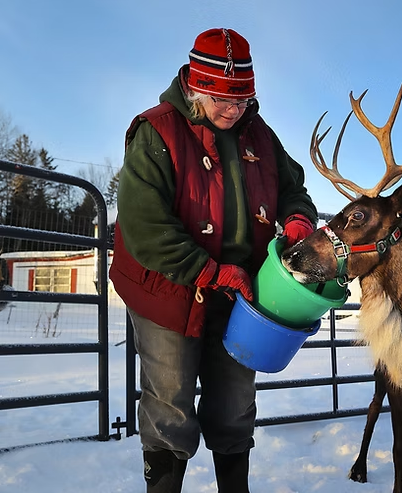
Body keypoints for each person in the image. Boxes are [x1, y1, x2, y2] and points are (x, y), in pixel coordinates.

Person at [110, 28, 318, 493]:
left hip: (238, 293)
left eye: (243, 99)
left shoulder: (260, 136)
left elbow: (293, 190)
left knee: (234, 403)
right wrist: (208, 270)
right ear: (195, 87)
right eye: (222, 99)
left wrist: (298, 219)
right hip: (168, 287)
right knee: (170, 403)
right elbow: (146, 228)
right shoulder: (156, 130)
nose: (233, 110)